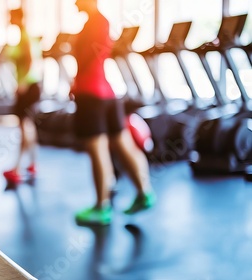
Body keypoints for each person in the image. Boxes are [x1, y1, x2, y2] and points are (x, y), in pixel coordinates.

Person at [72, 0, 155, 225]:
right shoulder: (100, 23)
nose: (74, 2)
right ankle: (143, 192)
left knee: (97, 149)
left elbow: (86, 61)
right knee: (123, 144)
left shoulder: (95, 23)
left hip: (91, 94)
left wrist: (75, 85)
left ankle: (102, 207)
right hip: (108, 93)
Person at [3, 8, 42, 184]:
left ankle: (17, 168)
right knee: (28, 126)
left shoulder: (25, 37)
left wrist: (23, 83)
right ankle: (33, 163)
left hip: (29, 87)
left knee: (24, 127)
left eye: (11, 16)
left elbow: (30, 61)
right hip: (31, 86)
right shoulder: (23, 36)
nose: (9, 19)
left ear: (18, 18)